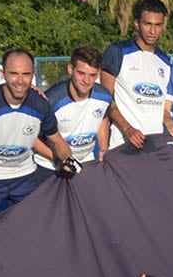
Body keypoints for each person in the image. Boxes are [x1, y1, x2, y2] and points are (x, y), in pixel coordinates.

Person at [0, 49, 72, 222]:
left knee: (40, 225)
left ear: (33, 74)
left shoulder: (40, 104)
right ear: (3, 74)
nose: (19, 81)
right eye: (14, 74)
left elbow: (57, 141)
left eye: (26, 74)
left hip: (24, 177)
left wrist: (67, 161)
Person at [32, 45, 113, 180]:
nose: (86, 81)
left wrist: (104, 148)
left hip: (86, 164)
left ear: (98, 73)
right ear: (70, 69)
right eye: (81, 73)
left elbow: (103, 117)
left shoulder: (104, 96)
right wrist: (58, 159)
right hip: (49, 168)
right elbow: (32, 137)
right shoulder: (51, 100)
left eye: (92, 75)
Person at [101, 0, 171, 149]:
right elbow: (105, 99)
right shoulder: (117, 52)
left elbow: (165, 106)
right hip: (123, 143)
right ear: (137, 23)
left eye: (158, 25)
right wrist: (128, 129)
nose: (153, 31)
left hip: (155, 144)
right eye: (147, 24)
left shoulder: (165, 61)